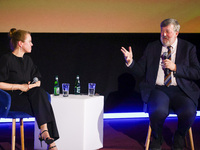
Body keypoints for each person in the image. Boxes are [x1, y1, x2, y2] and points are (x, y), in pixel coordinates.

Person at [121, 18, 200, 150]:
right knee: (157, 110)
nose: (163, 35)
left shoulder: (188, 48)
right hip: (158, 89)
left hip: (181, 90)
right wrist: (131, 62)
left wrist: (176, 67)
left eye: (167, 32)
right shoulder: (153, 47)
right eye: (162, 32)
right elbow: (140, 70)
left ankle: (180, 136)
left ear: (176, 33)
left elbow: (197, 72)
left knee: (189, 111)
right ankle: (157, 138)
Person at [0, 28, 59, 150]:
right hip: (11, 99)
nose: (32, 44)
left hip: (28, 96)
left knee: (40, 93)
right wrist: (19, 86)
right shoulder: (6, 59)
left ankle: (45, 132)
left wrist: (32, 84)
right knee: (43, 101)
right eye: (29, 41)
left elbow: (37, 79)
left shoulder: (28, 60)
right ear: (20, 43)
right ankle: (49, 140)